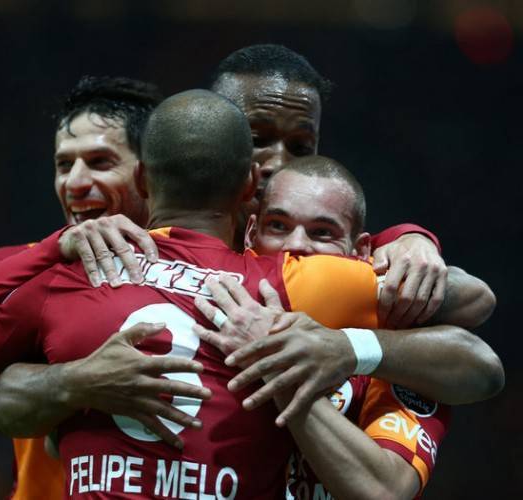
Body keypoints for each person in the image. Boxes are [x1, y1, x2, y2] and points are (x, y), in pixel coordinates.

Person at [0, 89, 446, 499]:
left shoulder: (302, 283)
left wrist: (404, 254)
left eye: (298, 146)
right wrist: (80, 380)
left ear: (143, 176)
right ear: (247, 179)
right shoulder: (53, 270)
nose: (79, 181)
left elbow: (470, 350)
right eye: (258, 141)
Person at [0, 76, 210, 500]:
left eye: (99, 162)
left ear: (149, 174)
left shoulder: (206, 272)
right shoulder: (16, 269)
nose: (75, 182)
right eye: (64, 165)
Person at [192, 155, 502, 498]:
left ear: (361, 251)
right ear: (251, 234)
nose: (296, 246)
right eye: (278, 226)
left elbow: (385, 491)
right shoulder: (205, 295)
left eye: (322, 233)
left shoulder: (396, 348)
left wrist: (345, 348)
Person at [209, 43, 449, 329]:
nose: (278, 163)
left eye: (300, 147)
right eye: (257, 140)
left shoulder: (327, 249)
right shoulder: (160, 237)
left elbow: (475, 304)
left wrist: (412, 240)